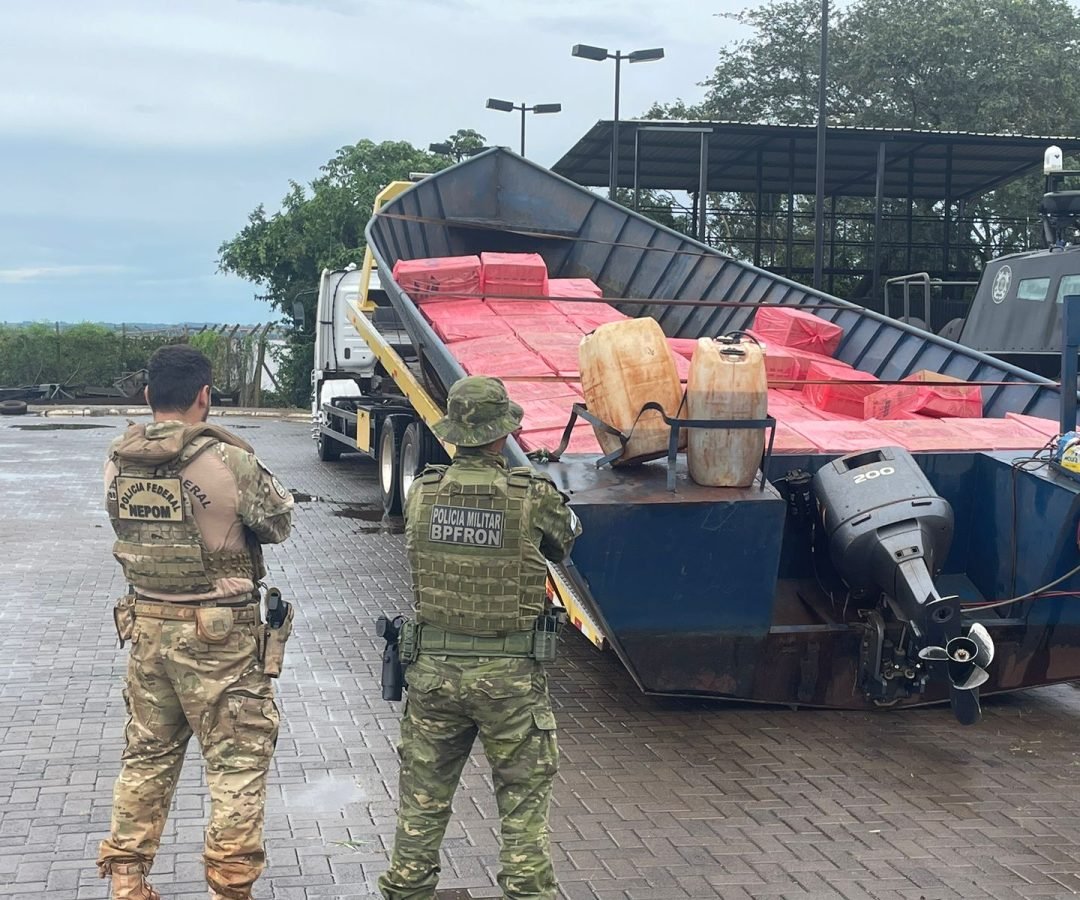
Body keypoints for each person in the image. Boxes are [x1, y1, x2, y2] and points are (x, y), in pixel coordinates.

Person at [97, 344, 294, 900]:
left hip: (146, 627)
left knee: (146, 755)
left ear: (148, 396)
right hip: (220, 636)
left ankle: (128, 882)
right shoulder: (229, 460)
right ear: (205, 396)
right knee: (236, 763)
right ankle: (229, 889)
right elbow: (278, 523)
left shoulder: (118, 458)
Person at [379, 375, 582, 900]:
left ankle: (406, 891)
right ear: (501, 433)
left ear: (455, 433)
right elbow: (565, 542)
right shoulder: (531, 495)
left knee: (421, 804)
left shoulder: (422, 491)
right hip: (510, 682)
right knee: (522, 807)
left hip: (432, 676)